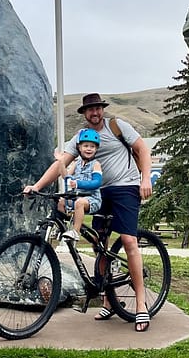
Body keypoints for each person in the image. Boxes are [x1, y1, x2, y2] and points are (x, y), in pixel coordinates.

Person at [24, 93, 153, 332]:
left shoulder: (117, 126)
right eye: (90, 110)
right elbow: (59, 163)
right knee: (99, 244)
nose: (95, 113)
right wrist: (37, 186)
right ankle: (108, 299)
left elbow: (142, 150)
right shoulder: (81, 138)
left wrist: (146, 179)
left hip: (125, 187)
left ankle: (142, 305)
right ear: (84, 113)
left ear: (102, 110)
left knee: (128, 240)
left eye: (97, 109)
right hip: (99, 193)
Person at [56, 128, 103, 240]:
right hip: (77, 198)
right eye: (86, 146)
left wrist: (78, 184)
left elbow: (97, 183)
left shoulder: (95, 164)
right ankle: (62, 228)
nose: (89, 149)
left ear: (96, 149)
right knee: (61, 202)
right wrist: (61, 162)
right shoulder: (77, 164)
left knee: (79, 203)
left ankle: (75, 232)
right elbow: (66, 177)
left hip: (92, 199)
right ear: (79, 148)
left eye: (92, 146)